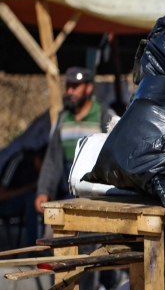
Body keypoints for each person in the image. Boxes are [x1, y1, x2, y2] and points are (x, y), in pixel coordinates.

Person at [34, 67, 117, 214]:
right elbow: (52, 160)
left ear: (89, 87)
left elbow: (116, 154)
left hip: (97, 199)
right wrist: (44, 191)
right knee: (51, 235)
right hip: (65, 196)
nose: (71, 91)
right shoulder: (62, 119)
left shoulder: (104, 116)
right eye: (68, 86)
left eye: (76, 86)